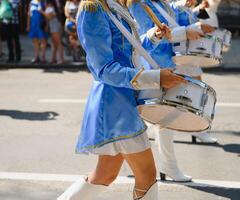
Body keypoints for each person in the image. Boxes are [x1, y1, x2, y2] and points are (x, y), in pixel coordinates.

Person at [57, 0, 186, 199]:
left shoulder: (116, 5)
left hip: (123, 100)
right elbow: (103, 69)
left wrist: (152, 37)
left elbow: (129, 51)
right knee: (147, 175)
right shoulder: (93, 9)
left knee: (104, 175)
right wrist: (156, 78)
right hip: (115, 105)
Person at [130, 0, 214, 182]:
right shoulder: (139, 5)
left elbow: (171, 24)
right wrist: (186, 32)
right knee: (161, 118)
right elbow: (145, 38)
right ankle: (167, 165)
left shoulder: (158, 2)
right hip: (154, 65)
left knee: (159, 119)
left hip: (166, 62)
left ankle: (162, 165)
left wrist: (191, 24)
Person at [171, 0, 218, 144]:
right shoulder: (176, 6)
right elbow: (177, 25)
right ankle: (199, 131)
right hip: (183, 56)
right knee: (196, 96)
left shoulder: (186, 8)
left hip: (189, 57)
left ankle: (198, 130)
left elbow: (188, 16)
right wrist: (198, 27)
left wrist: (198, 9)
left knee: (194, 95)